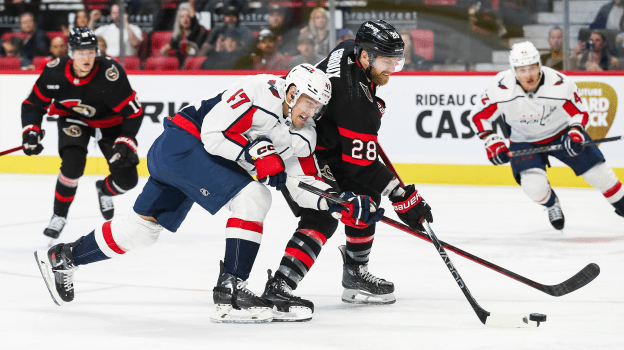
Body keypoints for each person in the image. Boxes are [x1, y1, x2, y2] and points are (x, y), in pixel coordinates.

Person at [34, 63, 383, 323]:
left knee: (141, 231)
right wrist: (255, 154)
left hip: (192, 162)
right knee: (254, 196)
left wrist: (338, 202)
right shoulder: (259, 90)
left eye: (318, 108)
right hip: (182, 144)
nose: (311, 112)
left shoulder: (305, 134)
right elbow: (213, 133)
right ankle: (230, 292)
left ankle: (64, 257)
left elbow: (299, 183)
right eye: (308, 102)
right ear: (291, 91)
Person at [267, 20, 433, 306]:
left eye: (397, 61)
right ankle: (280, 285)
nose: (392, 69)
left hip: (323, 141)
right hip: (299, 148)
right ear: (366, 56)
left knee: (365, 197)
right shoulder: (357, 103)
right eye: (387, 61)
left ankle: (356, 273)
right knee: (325, 212)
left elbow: (355, 148)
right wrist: (401, 196)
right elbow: (364, 166)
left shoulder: (347, 50)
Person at [470, 41, 624, 230]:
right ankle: (552, 205)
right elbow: (479, 116)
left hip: (561, 133)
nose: (529, 75)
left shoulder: (559, 83)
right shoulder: (500, 87)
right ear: (513, 70)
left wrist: (575, 132)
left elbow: (579, 112)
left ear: (539, 66)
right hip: (523, 140)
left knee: (601, 176)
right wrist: (492, 141)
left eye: (533, 68)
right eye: (522, 70)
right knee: (534, 188)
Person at [21, 27, 144, 239]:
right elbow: (33, 105)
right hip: (74, 119)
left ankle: (104, 190)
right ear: (70, 53)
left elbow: (134, 112)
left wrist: (126, 140)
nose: (86, 57)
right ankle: (59, 216)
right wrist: (31, 131)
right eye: (81, 52)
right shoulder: (53, 72)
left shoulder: (110, 73)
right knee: (72, 164)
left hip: (110, 123)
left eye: (90, 51)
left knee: (127, 180)